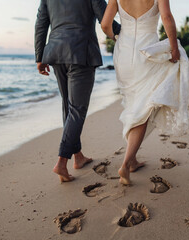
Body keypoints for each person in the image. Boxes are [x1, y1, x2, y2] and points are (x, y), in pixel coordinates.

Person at [101, 0, 189, 185]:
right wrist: (174, 48)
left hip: (123, 54)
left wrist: (115, 38)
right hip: (147, 53)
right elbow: (166, 17)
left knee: (134, 104)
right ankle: (126, 163)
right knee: (144, 107)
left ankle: (132, 160)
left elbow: (105, 25)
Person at [35, 0, 121, 183]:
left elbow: (41, 23)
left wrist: (39, 56)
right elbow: (106, 20)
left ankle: (78, 156)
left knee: (68, 106)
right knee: (77, 109)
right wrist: (131, 32)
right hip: (81, 52)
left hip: (55, 53)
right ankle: (61, 161)